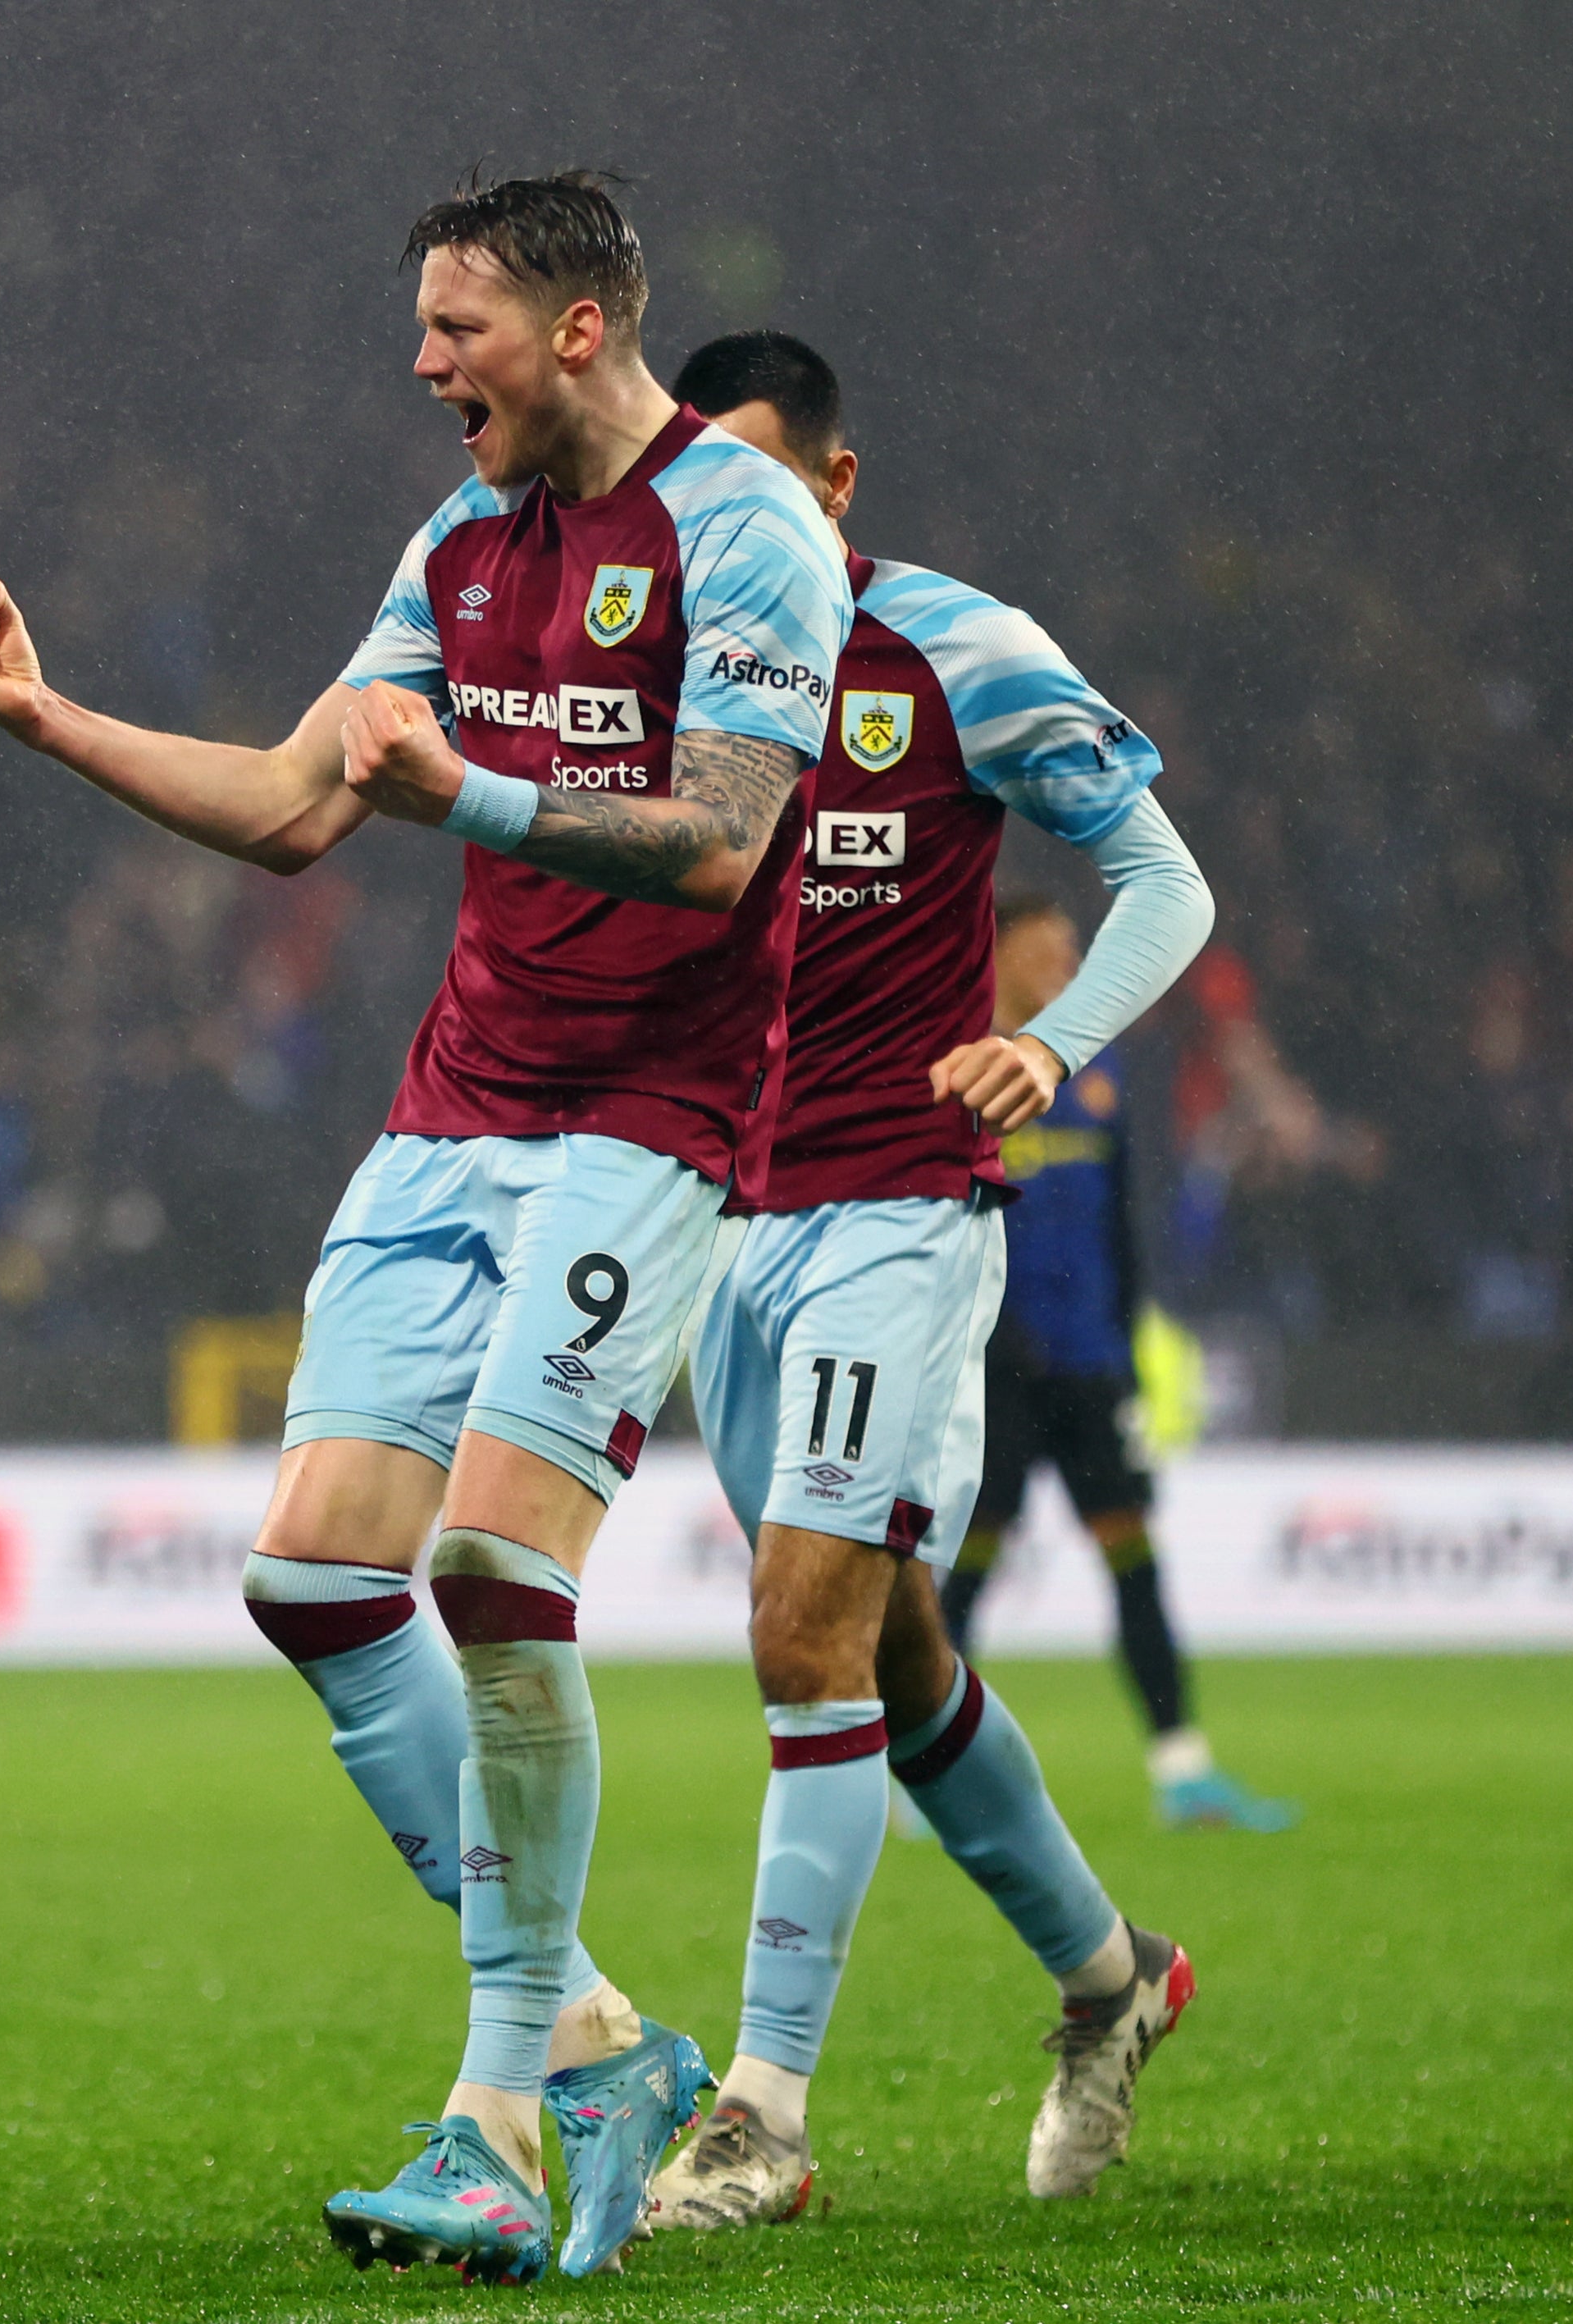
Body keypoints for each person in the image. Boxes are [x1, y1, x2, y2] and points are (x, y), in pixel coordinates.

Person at [0, 172, 850, 2281]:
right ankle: (602, 2037)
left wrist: (482, 804)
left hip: (652, 1114)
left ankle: (495, 2116)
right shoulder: (457, 545)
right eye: (424, 327)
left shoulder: (741, 532)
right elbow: (292, 803)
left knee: (492, 1567)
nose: (427, 364)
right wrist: (39, 717)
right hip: (456, 1112)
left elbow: (720, 850)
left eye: (460, 329)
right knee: (314, 1577)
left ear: (586, 324)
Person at [648, 330, 1216, 2233]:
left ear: (830, 482)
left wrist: (1047, 1045)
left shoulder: (956, 651)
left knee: (797, 1638)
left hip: (897, 1211)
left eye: (747, 479)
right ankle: (1106, 1972)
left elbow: (1161, 878)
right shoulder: (649, 678)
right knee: (890, 1662)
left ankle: (760, 2116)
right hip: (714, 1228)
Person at [947, 897, 1299, 1831]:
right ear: (998, 953)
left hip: (1091, 1367)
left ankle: (1184, 1771)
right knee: (967, 1575)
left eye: (1073, 948)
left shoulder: (1095, 1067)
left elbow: (1122, 1223)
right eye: (1049, 949)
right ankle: (916, 1772)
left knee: (1135, 1565)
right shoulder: (958, 1064)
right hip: (993, 1375)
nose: (1069, 962)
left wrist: (1131, 1351)